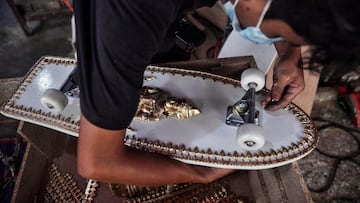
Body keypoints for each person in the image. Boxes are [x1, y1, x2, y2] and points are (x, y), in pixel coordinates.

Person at [73, 0, 360, 186]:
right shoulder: (130, 20)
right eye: (283, 33)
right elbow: (97, 162)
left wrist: (289, 52)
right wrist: (199, 174)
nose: (279, 40)